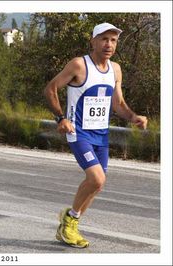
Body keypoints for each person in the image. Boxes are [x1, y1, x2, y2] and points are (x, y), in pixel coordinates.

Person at [44, 22, 148, 248]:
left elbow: (118, 104)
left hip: (101, 136)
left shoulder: (116, 69)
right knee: (97, 178)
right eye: (103, 39)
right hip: (79, 133)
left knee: (98, 184)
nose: (108, 44)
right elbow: (50, 89)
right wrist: (61, 118)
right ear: (92, 41)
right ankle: (68, 223)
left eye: (113, 40)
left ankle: (70, 221)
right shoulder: (79, 65)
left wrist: (133, 117)